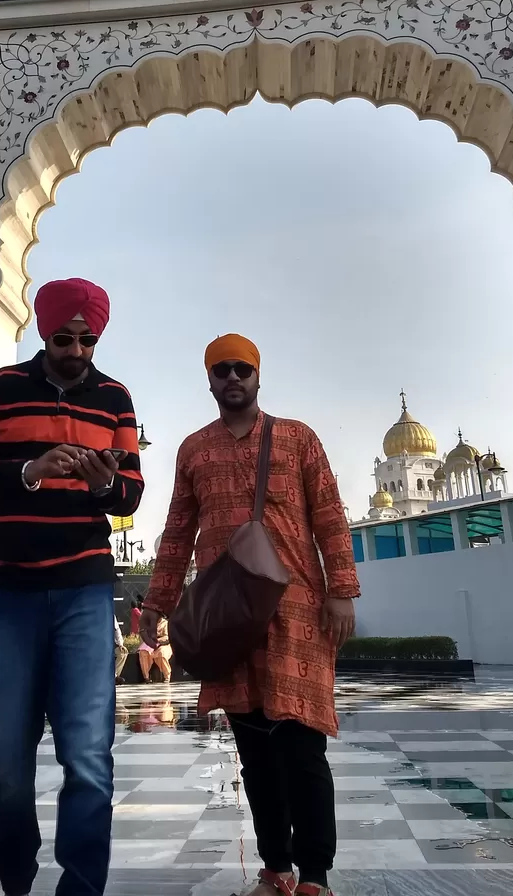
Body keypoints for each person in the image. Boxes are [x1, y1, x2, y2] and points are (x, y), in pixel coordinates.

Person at [0, 277, 144, 896]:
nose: (77, 350)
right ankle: (16, 878)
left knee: (88, 756)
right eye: (65, 338)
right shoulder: (1, 388)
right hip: (7, 592)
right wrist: (27, 471)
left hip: (82, 589)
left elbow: (131, 491)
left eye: (87, 339)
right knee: (6, 754)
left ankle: (81, 887)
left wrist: (104, 484)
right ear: (43, 332)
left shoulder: (115, 399)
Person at [141, 334, 360, 896]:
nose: (232, 378)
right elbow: (177, 532)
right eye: (221, 370)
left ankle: (314, 875)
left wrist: (342, 589)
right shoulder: (194, 450)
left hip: (297, 614)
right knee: (256, 753)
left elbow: (330, 516)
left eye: (242, 368)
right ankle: (275, 869)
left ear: (258, 377)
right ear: (209, 381)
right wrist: (158, 602)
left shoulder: (297, 438)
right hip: (229, 620)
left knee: (303, 750)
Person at [138, 614, 172, 683]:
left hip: (164, 644)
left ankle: (167, 676)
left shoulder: (166, 623)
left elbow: (167, 637)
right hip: (150, 644)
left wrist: (157, 641)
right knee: (143, 652)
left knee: (161, 654)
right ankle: (146, 677)